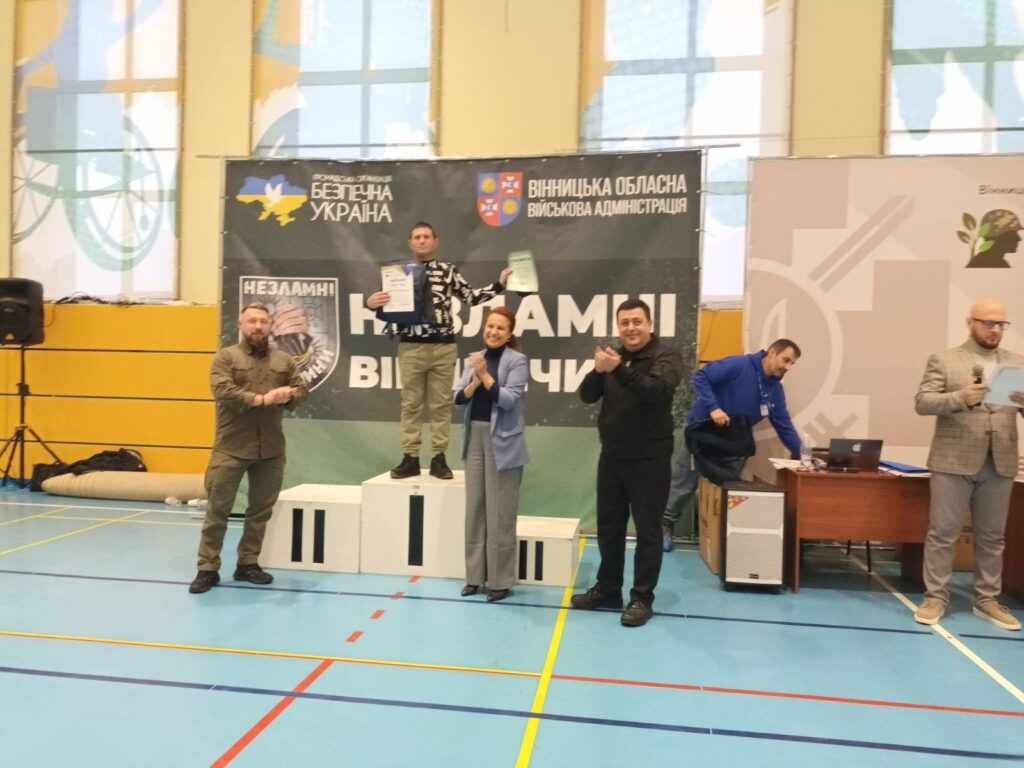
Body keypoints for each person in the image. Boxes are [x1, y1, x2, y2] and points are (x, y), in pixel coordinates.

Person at [366, 222, 511, 480]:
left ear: (435, 241)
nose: (422, 241)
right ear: (410, 243)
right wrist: (370, 302)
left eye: (426, 236)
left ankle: (439, 458)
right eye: (417, 237)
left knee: (441, 405)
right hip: (410, 345)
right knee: (410, 404)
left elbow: (471, 297)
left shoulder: (447, 270)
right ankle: (410, 457)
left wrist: (499, 285)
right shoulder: (397, 273)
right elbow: (383, 304)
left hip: (444, 346)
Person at [571, 298, 683, 627]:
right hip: (612, 457)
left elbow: (658, 392)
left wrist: (618, 368)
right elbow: (587, 395)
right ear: (618, 327)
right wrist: (598, 370)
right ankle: (608, 589)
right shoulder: (612, 358)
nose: (630, 328)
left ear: (649, 324)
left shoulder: (666, 357)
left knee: (647, 533)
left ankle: (641, 598)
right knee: (609, 530)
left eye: (636, 322)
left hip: (649, 460)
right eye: (624, 323)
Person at [913, 298, 1024, 631]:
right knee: (942, 534)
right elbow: (923, 402)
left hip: (1000, 460)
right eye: (988, 323)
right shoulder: (945, 359)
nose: (995, 330)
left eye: (1001, 324)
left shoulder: (1016, 363)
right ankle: (935, 597)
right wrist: (960, 397)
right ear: (970, 323)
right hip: (952, 460)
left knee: (993, 537)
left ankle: (987, 600)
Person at [189, 303, 308, 594]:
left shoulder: (284, 360)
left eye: (263, 321)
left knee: (259, 512)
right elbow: (223, 391)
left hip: (271, 450)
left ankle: (248, 563)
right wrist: (263, 400)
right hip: (231, 448)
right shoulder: (225, 357)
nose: (258, 326)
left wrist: (289, 395)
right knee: (218, 511)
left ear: (271, 326)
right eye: (252, 321)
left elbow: (301, 390)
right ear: (240, 324)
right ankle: (207, 568)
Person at [661, 339, 802, 551]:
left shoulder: (775, 391)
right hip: (703, 433)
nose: (788, 367)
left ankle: (723, 536)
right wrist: (714, 408)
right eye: (786, 360)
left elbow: (783, 424)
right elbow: (701, 377)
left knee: (731, 489)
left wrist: (801, 453)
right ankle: (664, 524)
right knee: (684, 483)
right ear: (772, 352)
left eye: (792, 364)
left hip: (733, 442)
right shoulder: (739, 365)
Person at [453, 306, 529, 603]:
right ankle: (474, 577)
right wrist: (473, 381)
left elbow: (509, 400)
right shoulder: (475, 358)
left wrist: (484, 376)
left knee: (500, 514)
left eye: (500, 328)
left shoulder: (517, 360)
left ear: (509, 334)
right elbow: (458, 398)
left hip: (504, 442)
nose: (493, 332)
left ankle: (500, 580)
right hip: (474, 437)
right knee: (474, 510)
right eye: (490, 326)